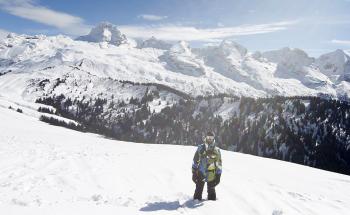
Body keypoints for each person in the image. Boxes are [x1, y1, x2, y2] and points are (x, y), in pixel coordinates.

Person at [192, 131, 222, 201]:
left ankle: (211, 207)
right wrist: (194, 172)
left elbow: (219, 163)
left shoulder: (216, 150)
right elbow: (195, 160)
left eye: (211, 138)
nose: (209, 139)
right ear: (206, 137)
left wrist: (218, 175)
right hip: (201, 173)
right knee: (198, 193)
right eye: (208, 137)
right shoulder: (200, 148)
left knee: (212, 195)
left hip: (212, 174)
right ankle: (194, 203)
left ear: (214, 138)